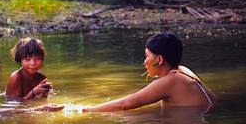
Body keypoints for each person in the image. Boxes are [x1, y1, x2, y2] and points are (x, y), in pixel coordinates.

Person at [83, 33, 216, 112]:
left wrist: (84, 110)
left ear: (159, 60)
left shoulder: (169, 81)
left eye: (147, 56)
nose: (144, 62)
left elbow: (126, 104)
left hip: (198, 120)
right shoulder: (184, 70)